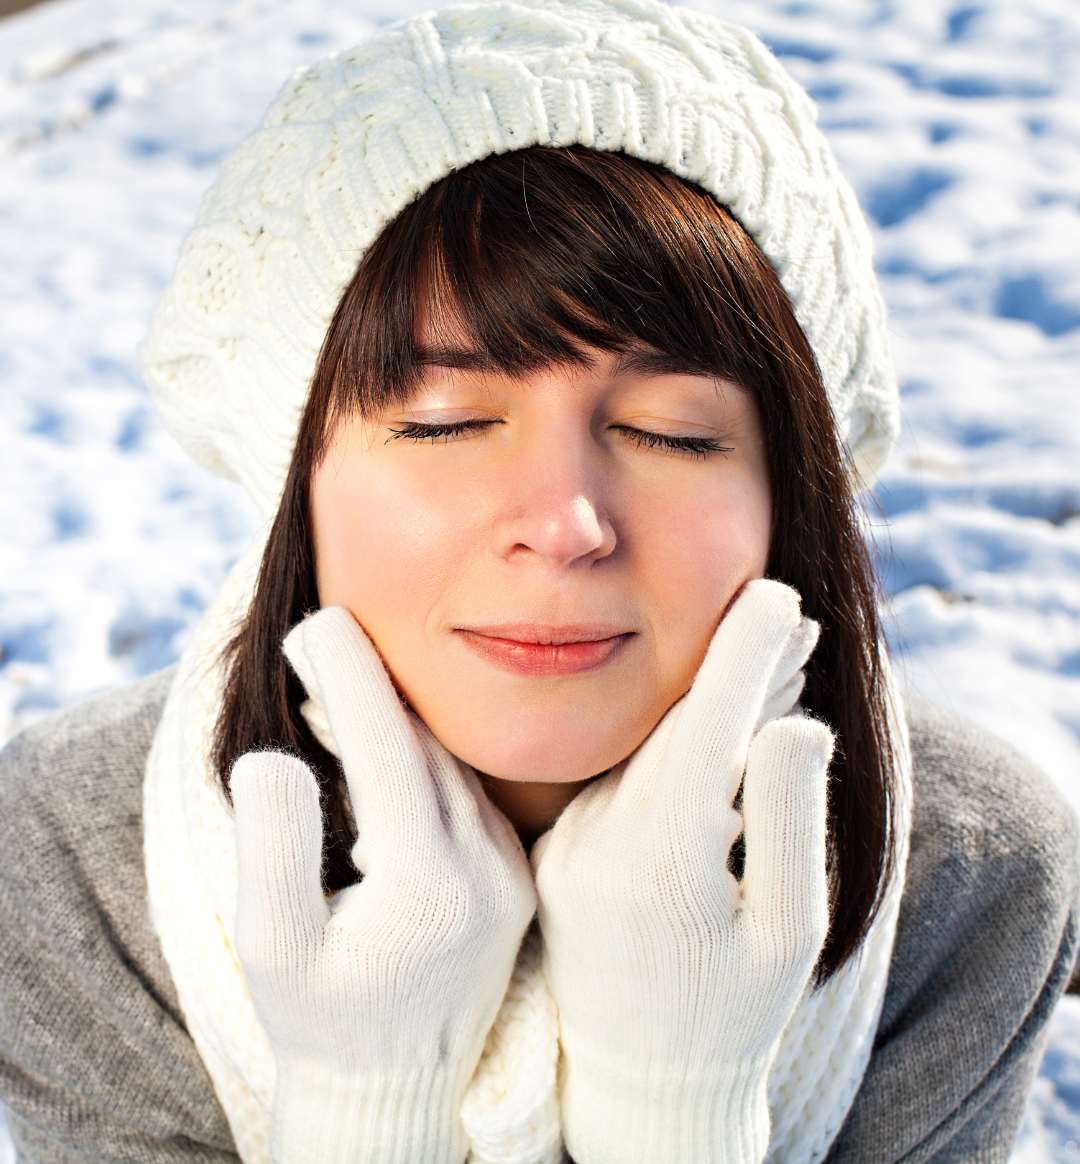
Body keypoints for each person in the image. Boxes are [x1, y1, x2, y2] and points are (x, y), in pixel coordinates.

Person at [1, 0, 1077, 1161]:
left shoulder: (966, 872)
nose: (565, 526)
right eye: (446, 423)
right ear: (293, 481)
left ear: (790, 492)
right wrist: (368, 1103)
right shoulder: (74, 857)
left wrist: (676, 1107)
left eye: (670, 432)